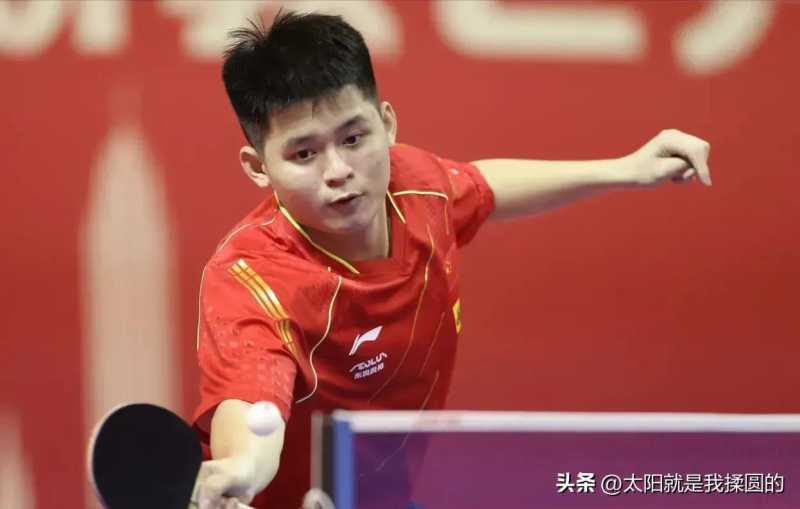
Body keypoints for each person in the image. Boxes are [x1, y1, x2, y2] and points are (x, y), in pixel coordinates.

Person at [191, 10, 712, 509]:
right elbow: (253, 408)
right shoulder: (252, 281)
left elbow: (481, 186)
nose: (338, 170)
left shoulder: (416, 188)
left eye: (353, 138)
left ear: (386, 124)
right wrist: (243, 468)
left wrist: (626, 169)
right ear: (258, 167)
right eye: (304, 154)